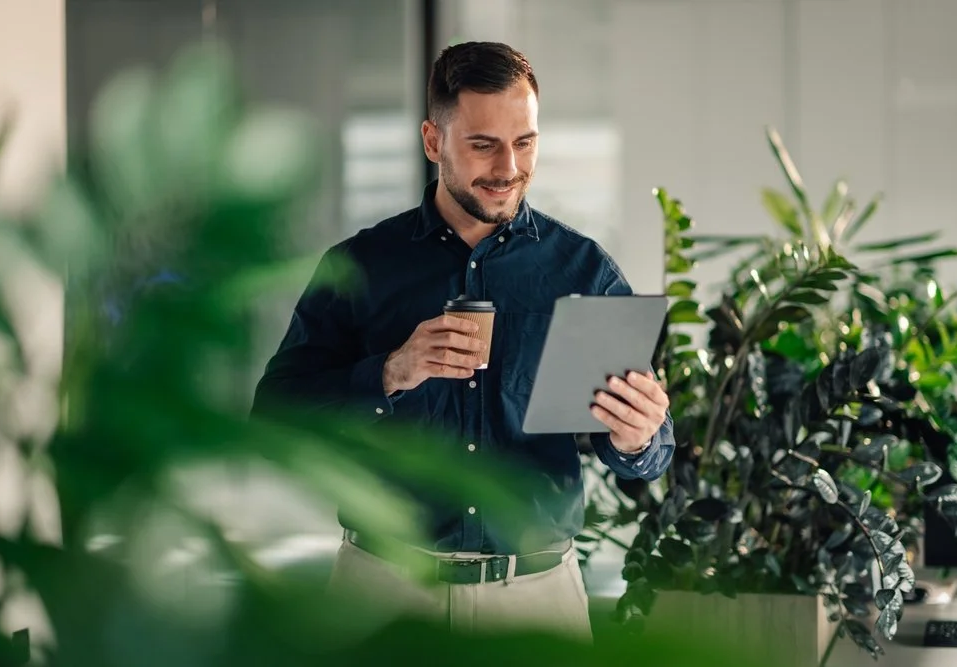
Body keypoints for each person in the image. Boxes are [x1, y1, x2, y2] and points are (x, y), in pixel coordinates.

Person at [251, 41, 675, 644]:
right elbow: (275, 418)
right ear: (433, 142)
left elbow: (649, 451)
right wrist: (389, 373)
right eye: (483, 144)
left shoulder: (584, 272)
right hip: (382, 599)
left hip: (537, 603)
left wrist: (639, 438)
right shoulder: (359, 267)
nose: (508, 167)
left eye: (524, 142)